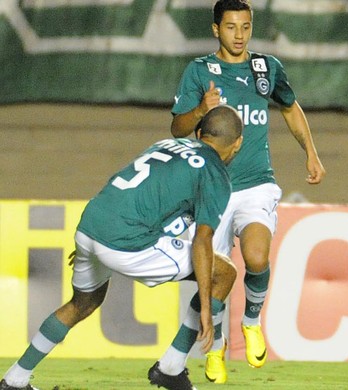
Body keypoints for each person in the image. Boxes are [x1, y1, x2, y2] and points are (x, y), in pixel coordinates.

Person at [0, 105, 244, 390]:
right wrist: (206, 306)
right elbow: (202, 240)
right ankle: (171, 367)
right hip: (126, 244)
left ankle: (15, 379)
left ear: (200, 133)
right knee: (224, 272)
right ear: (237, 143)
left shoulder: (168, 144)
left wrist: (93, 241)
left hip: (91, 226)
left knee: (83, 302)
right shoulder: (215, 174)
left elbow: (135, 194)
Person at [168, 0, 326, 383]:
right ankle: (216, 348)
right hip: (212, 189)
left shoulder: (267, 68)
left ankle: (252, 321)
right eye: (231, 27)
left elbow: (290, 108)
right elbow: (177, 128)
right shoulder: (199, 71)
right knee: (216, 278)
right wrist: (201, 109)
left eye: (245, 27)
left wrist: (311, 154)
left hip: (256, 183)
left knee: (256, 257)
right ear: (215, 29)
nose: (239, 35)